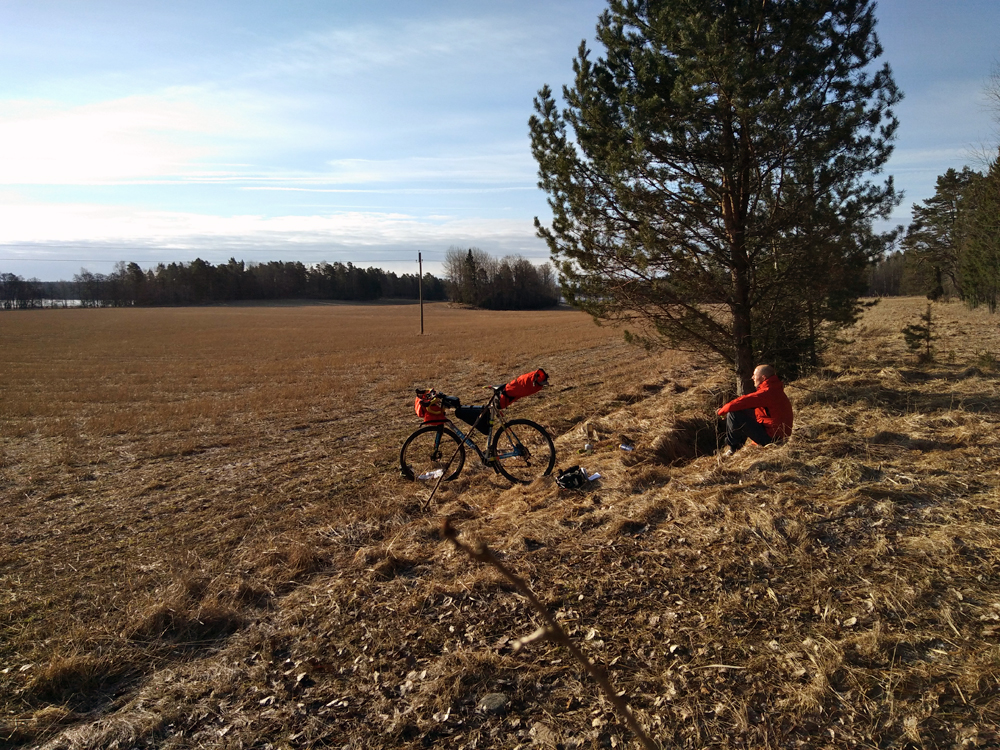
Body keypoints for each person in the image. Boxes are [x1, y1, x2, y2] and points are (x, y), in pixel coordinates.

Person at [717, 364, 793, 454]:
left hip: (773, 440)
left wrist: (721, 411)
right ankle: (738, 443)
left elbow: (742, 402)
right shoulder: (775, 390)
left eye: (755, 375)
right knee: (741, 411)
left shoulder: (767, 392)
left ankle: (734, 448)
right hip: (779, 436)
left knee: (733, 413)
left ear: (763, 377)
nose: (752, 377)